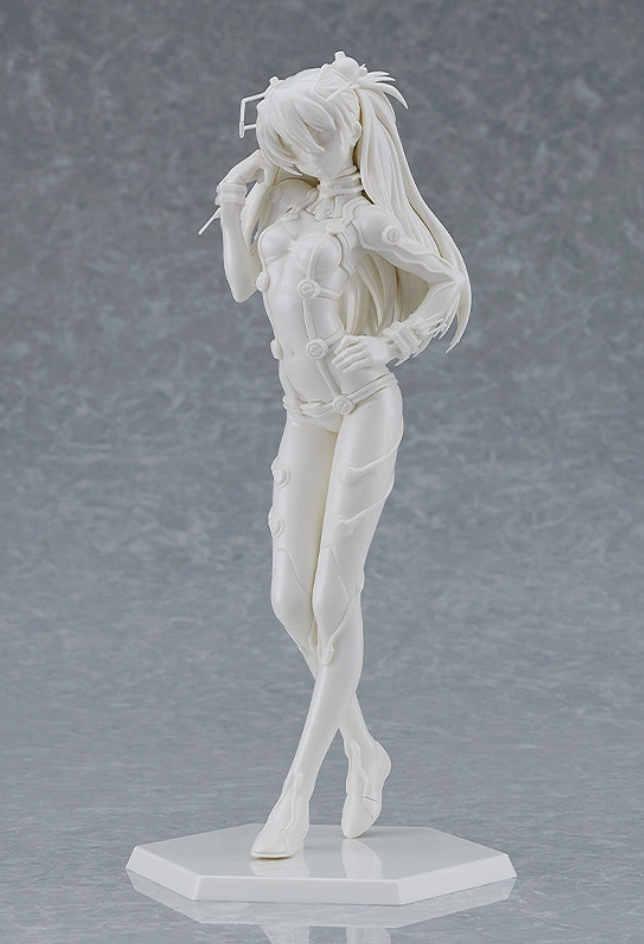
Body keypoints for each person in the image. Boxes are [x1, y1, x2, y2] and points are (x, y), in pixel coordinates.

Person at [210, 51, 471, 859]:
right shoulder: (284, 210)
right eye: (284, 140)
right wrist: (234, 202)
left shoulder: (369, 220)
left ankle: (296, 792)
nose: (295, 154)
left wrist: (393, 341)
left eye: (309, 139)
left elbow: (447, 283)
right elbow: (242, 288)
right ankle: (365, 749)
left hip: (363, 406)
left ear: (351, 131)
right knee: (289, 602)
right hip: (305, 413)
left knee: (333, 595)